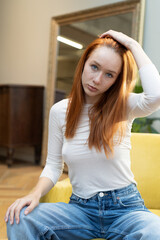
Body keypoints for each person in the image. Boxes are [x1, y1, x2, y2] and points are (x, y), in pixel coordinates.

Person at [5, 30, 160, 240]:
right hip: (80, 211)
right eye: (94, 67)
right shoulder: (60, 112)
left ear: (116, 80)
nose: (97, 79)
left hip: (125, 210)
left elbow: (156, 95)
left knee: (155, 230)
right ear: (84, 63)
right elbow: (52, 166)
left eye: (109, 74)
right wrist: (34, 194)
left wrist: (131, 44)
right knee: (19, 217)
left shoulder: (123, 106)